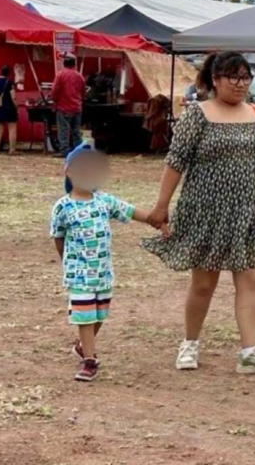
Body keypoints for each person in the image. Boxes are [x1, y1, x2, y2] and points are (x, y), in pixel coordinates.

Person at [143, 51, 255, 375]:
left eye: (245, 77)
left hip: (249, 212)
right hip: (205, 212)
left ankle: (250, 353)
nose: (240, 84)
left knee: (250, 280)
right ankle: (190, 344)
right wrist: (161, 205)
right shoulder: (198, 115)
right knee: (204, 282)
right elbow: (176, 161)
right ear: (215, 80)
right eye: (233, 77)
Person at [51, 143, 164, 381]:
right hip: (79, 273)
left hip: (102, 272)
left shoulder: (105, 202)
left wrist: (156, 220)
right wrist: (67, 262)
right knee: (85, 316)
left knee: (99, 315)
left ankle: (83, 345)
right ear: (68, 171)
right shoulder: (63, 207)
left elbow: (131, 211)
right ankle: (89, 361)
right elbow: (58, 237)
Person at [51, 55, 86, 157]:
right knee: (76, 131)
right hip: (77, 107)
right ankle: (79, 151)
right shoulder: (80, 76)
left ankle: (64, 151)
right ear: (74, 64)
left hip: (64, 107)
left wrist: (55, 101)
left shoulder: (60, 75)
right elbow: (83, 92)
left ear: (64, 64)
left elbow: (54, 91)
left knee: (63, 130)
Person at [0, 65, 19, 155]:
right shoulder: (9, 82)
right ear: (9, 73)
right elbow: (13, 97)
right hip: (9, 107)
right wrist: (16, 107)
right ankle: (12, 149)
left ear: (0, 71)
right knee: (12, 128)